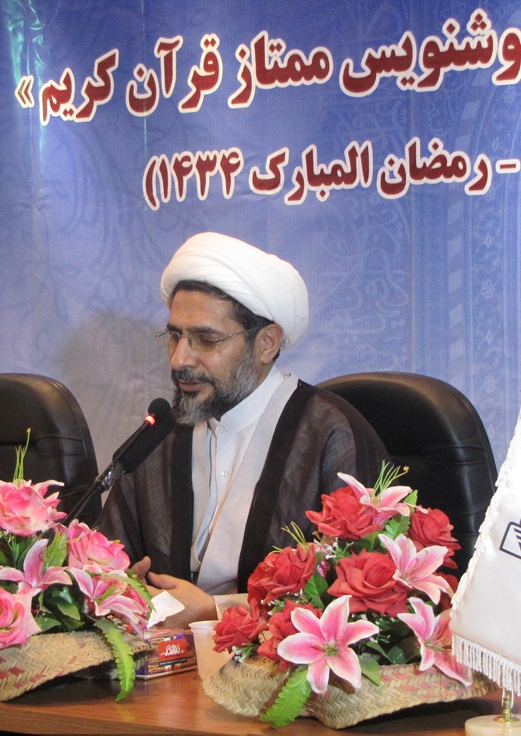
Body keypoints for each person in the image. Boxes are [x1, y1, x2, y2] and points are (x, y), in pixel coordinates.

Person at [97, 232, 387, 626]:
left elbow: (360, 603)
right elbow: (111, 554)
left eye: (206, 339)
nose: (180, 359)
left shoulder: (332, 436)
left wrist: (216, 613)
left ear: (267, 343)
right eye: (175, 336)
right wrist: (119, 587)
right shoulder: (163, 432)